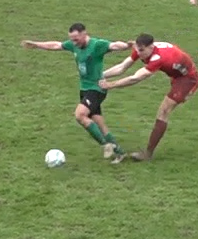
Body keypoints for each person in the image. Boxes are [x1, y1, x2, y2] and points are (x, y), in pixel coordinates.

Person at [102, 33, 198, 163]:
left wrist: (110, 85)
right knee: (187, 95)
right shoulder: (142, 49)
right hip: (177, 70)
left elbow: (135, 78)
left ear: (151, 47)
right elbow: (122, 67)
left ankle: (148, 153)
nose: (138, 53)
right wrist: (100, 75)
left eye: (141, 50)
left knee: (164, 111)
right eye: (137, 49)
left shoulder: (158, 58)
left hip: (186, 77)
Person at [21, 24, 132, 163]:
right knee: (98, 122)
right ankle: (120, 153)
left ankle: (106, 145)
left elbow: (114, 45)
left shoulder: (97, 45)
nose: (73, 43)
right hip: (85, 89)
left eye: (76, 39)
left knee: (80, 115)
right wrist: (36, 44)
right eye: (72, 40)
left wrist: (127, 46)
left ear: (84, 34)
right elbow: (56, 45)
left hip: (97, 88)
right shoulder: (74, 45)